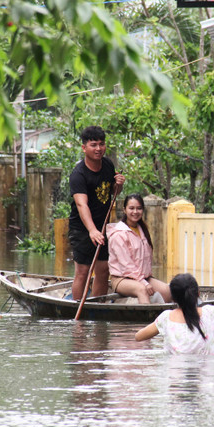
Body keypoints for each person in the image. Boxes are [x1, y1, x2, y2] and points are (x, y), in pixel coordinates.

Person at [68, 126, 125, 301]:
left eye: (101, 144)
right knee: (83, 271)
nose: (98, 149)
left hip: (103, 226)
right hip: (83, 229)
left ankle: (97, 307)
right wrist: (92, 231)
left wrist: (119, 184)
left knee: (103, 269)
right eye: (93, 145)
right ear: (84, 148)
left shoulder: (108, 165)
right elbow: (81, 204)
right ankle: (78, 308)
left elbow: (113, 192)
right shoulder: (78, 175)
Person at [107, 194, 172, 304]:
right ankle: (146, 320)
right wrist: (144, 283)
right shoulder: (119, 234)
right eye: (131, 208)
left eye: (139, 208)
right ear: (124, 210)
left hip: (143, 277)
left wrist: (146, 279)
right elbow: (127, 265)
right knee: (142, 289)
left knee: (166, 290)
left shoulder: (142, 229)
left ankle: (162, 318)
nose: (135, 212)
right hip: (122, 279)